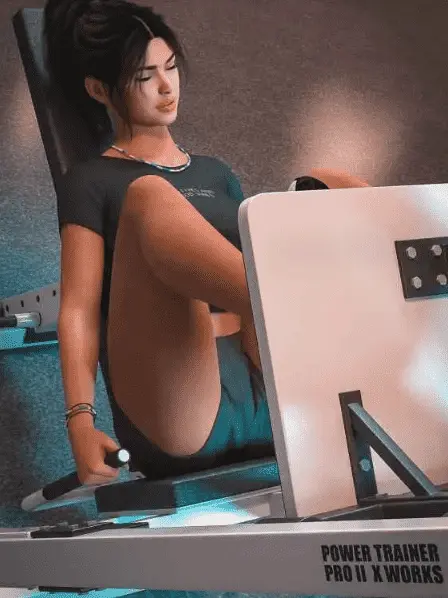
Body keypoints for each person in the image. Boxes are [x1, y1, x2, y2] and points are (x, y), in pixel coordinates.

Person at [43, 0, 369, 486]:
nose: (166, 86)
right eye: (144, 76)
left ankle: (361, 329)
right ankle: (299, 305)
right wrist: (80, 422)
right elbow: (78, 309)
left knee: (329, 182)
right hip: (181, 402)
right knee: (152, 195)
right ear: (98, 89)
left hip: (266, 381)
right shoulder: (91, 182)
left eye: (171, 67)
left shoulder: (216, 174)